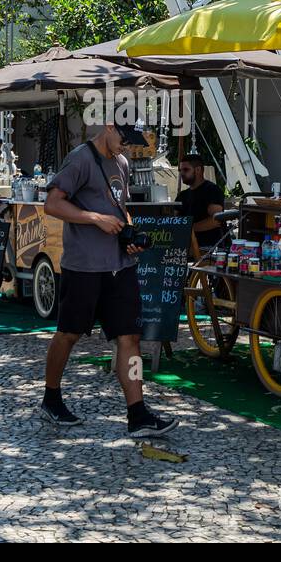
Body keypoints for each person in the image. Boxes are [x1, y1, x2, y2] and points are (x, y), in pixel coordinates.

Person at [40, 122, 178, 437]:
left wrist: (129, 234)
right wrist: (95, 219)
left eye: (132, 143)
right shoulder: (80, 158)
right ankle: (51, 397)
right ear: (109, 127)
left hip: (120, 264)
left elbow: (120, 207)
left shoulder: (122, 163)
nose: (127, 147)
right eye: (124, 140)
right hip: (84, 266)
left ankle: (138, 412)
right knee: (69, 334)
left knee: (130, 337)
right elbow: (53, 203)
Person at [177, 153, 227, 255]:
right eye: (180, 170)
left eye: (186, 170)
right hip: (187, 248)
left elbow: (216, 220)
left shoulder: (212, 190)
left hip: (210, 249)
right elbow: (174, 219)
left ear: (198, 170)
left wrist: (188, 229)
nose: (182, 173)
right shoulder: (182, 195)